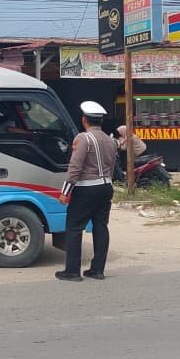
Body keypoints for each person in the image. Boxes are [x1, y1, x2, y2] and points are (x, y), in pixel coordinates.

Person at [56, 101, 118, 281]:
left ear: (84, 120)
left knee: (74, 227)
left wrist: (65, 191)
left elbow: (75, 167)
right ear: (100, 121)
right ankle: (97, 270)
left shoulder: (83, 139)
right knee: (101, 226)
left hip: (86, 189)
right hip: (106, 187)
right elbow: (113, 166)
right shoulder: (111, 140)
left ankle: (72, 271)